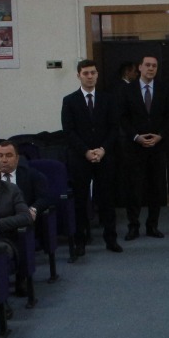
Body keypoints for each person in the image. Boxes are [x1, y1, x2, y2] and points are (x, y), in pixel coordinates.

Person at [61, 58, 121, 255]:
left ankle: (111, 239)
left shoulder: (108, 99)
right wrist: (86, 151)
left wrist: (103, 149)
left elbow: (114, 128)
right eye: (85, 73)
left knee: (107, 199)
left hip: (104, 156)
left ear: (97, 75)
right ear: (78, 75)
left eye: (93, 73)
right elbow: (69, 132)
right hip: (80, 158)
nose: (89, 76)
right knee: (80, 200)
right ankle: (81, 241)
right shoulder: (69, 101)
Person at [120, 54, 169, 239]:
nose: (151, 68)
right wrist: (136, 137)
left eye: (154, 66)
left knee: (156, 189)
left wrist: (160, 136)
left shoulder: (164, 89)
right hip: (134, 147)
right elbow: (122, 117)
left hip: (157, 147)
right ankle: (133, 226)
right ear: (140, 67)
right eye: (147, 65)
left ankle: (152, 226)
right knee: (134, 189)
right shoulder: (127, 90)